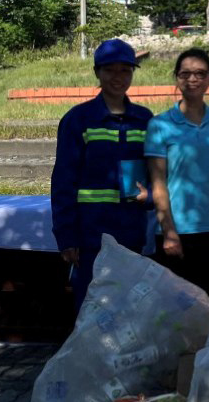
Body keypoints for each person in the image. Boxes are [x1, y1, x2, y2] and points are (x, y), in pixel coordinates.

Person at [51, 38, 153, 310]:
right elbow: (63, 180)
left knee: (131, 308)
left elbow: (156, 173)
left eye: (125, 70)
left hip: (132, 231)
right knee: (92, 309)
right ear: (97, 72)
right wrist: (67, 236)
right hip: (91, 235)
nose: (118, 77)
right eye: (110, 70)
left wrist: (151, 196)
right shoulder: (78, 119)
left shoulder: (144, 119)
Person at [146, 48, 209, 298]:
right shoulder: (160, 125)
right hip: (178, 230)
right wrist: (168, 229)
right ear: (177, 78)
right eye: (186, 73)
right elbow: (158, 183)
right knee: (174, 305)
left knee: (206, 299)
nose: (193, 79)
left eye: (200, 73)